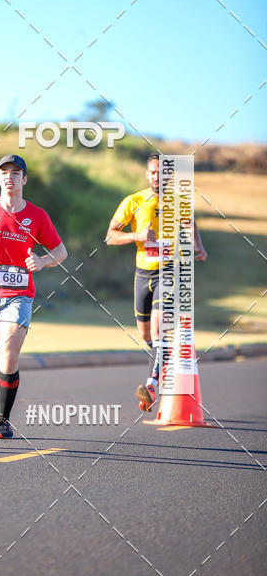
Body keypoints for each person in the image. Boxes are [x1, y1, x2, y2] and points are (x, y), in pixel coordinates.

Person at [0, 154, 67, 439]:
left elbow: (61, 252)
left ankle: (2, 421)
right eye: (4, 172)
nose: (10, 176)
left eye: (15, 172)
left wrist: (43, 262)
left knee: (7, 359)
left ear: (24, 179)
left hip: (19, 296)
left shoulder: (37, 216)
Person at [105, 152, 207, 411]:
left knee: (161, 328)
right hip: (143, 274)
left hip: (169, 271)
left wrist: (199, 246)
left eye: (161, 172)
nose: (156, 176)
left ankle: (151, 384)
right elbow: (110, 236)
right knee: (146, 334)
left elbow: (191, 222)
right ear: (146, 174)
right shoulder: (134, 201)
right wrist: (136, 235)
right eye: (152, 172)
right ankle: (164, 359)